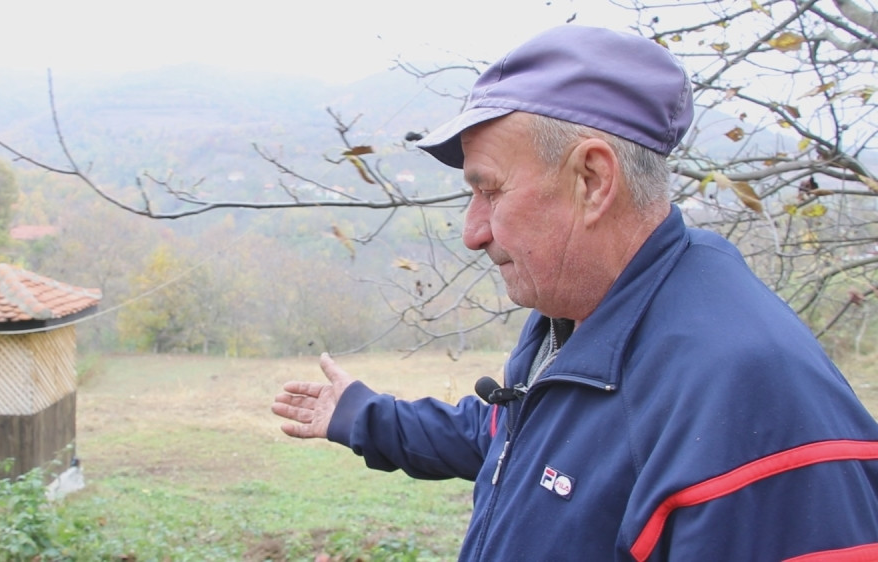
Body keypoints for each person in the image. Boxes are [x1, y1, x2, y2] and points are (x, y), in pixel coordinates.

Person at [271, 25, 878, 561]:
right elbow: (516, 435)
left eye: (490, 191)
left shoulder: (749, 395)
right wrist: (361, 415)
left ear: (592, 180)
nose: (472, 233)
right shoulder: (585, 314)